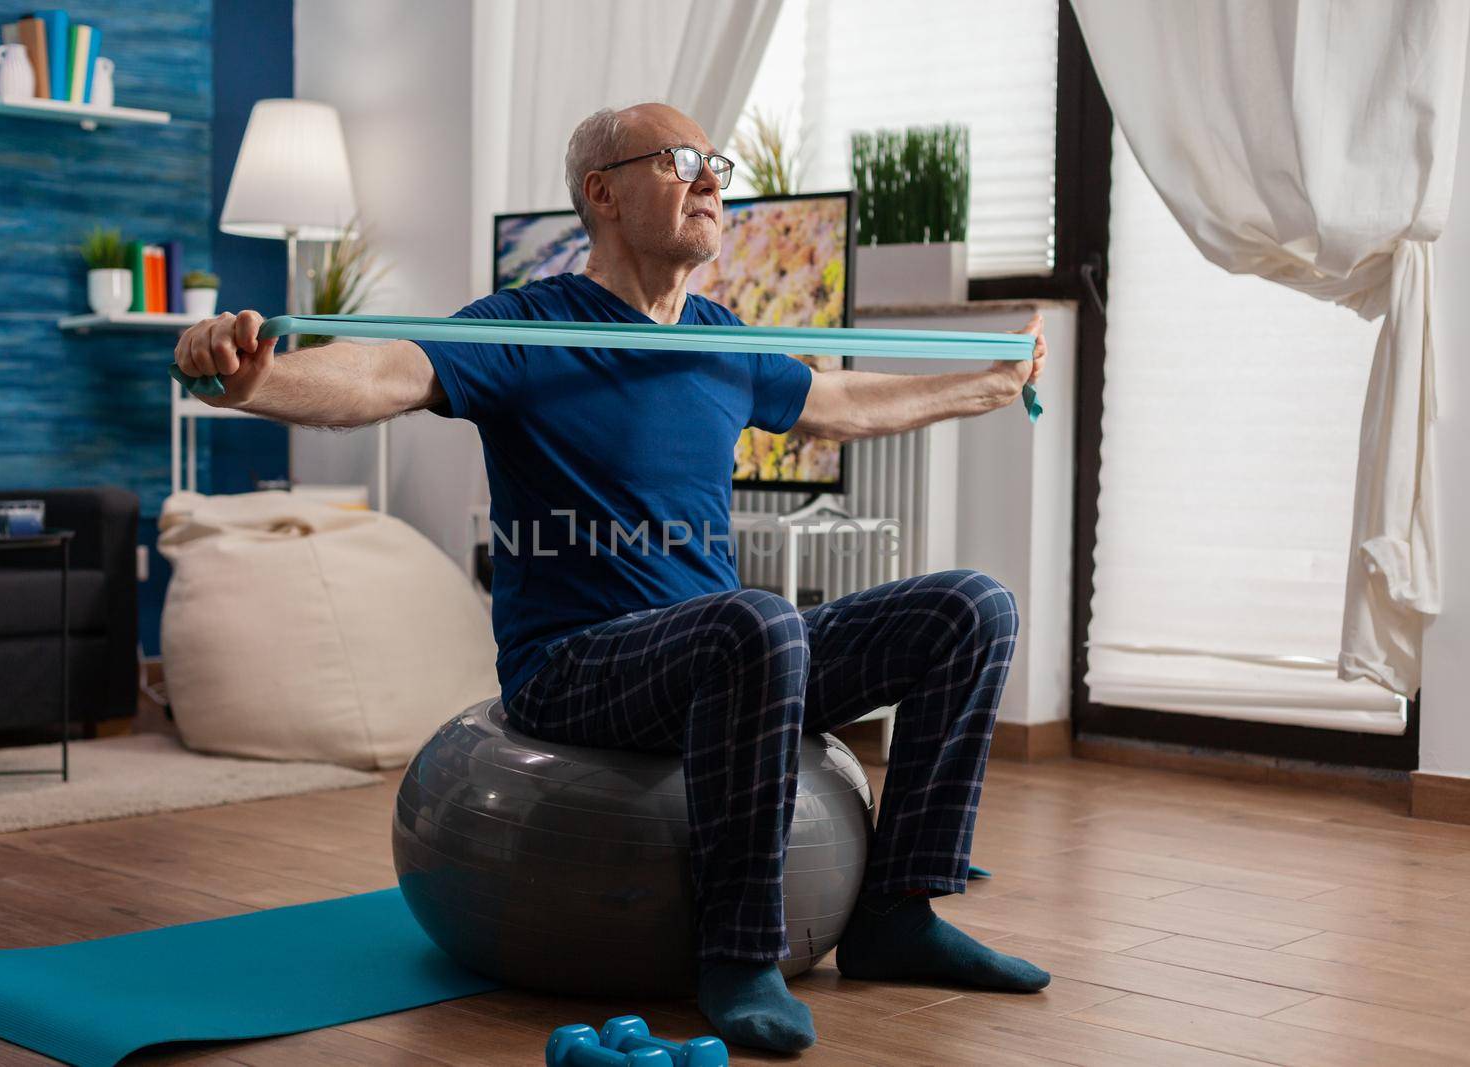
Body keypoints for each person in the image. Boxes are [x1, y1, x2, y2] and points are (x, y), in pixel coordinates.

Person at [174, 101, 1050, 1053]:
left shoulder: (719, 339)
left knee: (972, 607)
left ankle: (898, 913)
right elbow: (382, 372)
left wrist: (990, 385)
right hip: (576, 664)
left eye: (715, 162)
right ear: (602, 191)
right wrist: (250, 382)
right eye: (682, 161)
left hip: (728, 652)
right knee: (755, 623)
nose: (712, 179)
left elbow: (834, 403)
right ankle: (739, 949)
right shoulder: (529, 326)